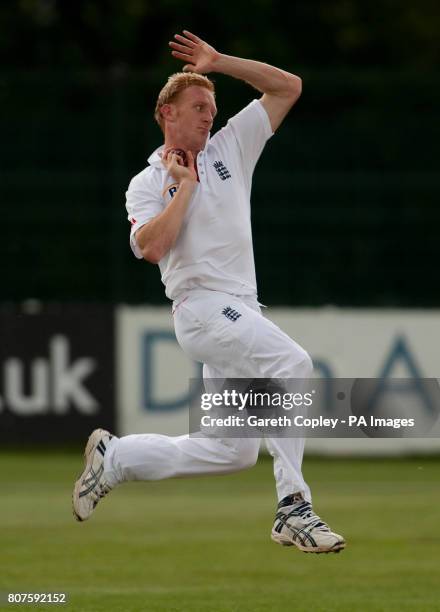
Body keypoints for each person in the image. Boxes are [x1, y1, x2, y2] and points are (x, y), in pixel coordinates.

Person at [72, 30, 345, 554]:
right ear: (166, 113)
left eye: (213, 107)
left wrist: (219, 62)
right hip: (200, 309)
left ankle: (117, 458)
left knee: (230, 450)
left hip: (239, 308)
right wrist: (185, 186)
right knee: (292, 364)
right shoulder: (147, 182)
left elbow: (288, 87)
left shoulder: (231, 147)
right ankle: (294, 507)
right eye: (198, 106)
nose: (209, 116)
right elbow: (152, 248)